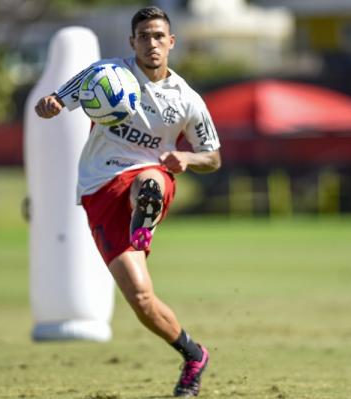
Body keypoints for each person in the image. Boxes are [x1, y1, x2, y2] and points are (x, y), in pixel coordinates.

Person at [35, 6, 221, 397]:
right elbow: (52, 102)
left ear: (171, 42)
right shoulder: (104, 75)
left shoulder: (187, 99)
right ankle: (194, 355)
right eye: (144, 36)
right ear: (132, 42)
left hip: (150, 177)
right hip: (100, 190)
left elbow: (213, 156)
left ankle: (144, 218)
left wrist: (186, 158)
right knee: (140, 299)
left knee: (150, 181)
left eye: (158, 36)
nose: (151, 43)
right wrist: (48, 107)